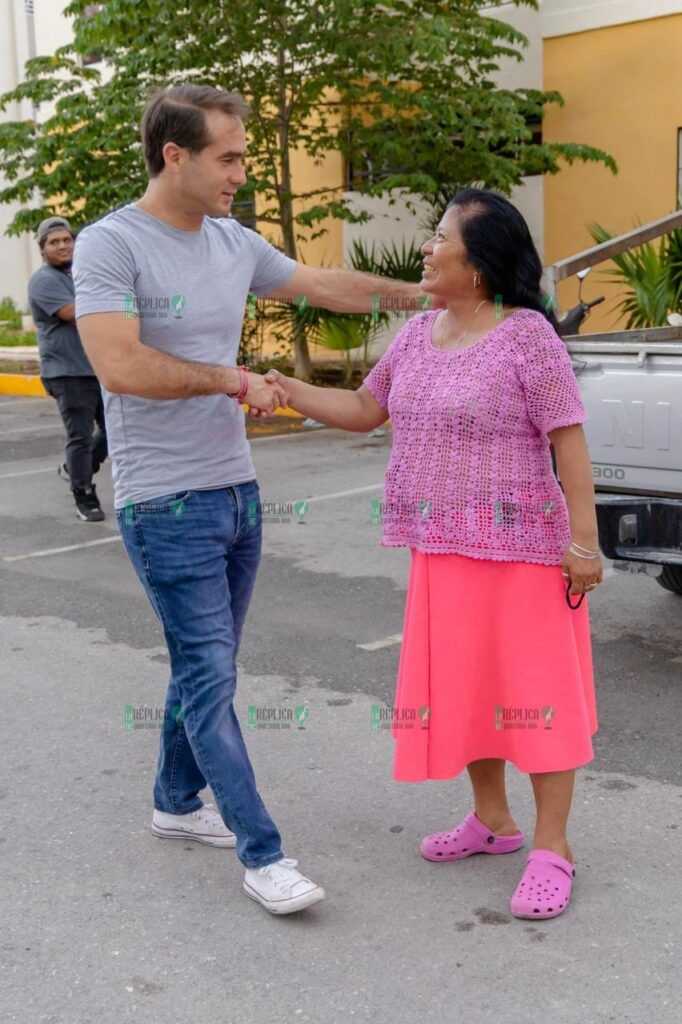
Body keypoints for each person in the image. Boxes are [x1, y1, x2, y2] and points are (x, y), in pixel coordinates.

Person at [72, 84, 432, 916]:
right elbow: (121, 366)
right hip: (164, 503)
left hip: (236, 491)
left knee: (206, 670)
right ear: (176, 155)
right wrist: (234, 380)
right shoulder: (110, 245)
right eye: (228, 157)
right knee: (210, 674)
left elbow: (324, 284)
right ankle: (262, 853)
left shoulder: (233, 242)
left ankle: (173, 802)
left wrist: (420, 295)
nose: (241, 173)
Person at [262, 188, 602, 921]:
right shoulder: (417, 333)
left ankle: (553, 847)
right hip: (442, 550)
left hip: (524, 554)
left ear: (477, 266)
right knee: (470, 691)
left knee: (537, 702)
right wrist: (284, 389)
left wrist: (585, 543)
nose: (426, 247)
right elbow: (362, 410)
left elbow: (567, 439)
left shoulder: (526, 337)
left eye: (439, 236)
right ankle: (494, 823)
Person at [28, 217, 108, 522]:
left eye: (67, 240)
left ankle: (80, 467)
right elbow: (80, 313)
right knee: (80, 436)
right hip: (67, 373)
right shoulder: (44, 281)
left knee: (115, 427)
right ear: (43, 249)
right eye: (54, 242)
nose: (62, 246)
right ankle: (84, 495)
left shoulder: (81, 275)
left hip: (97, 368)